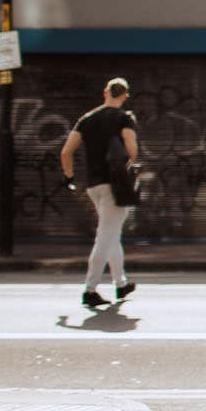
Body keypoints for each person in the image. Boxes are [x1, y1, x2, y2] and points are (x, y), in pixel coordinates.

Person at [59, 77, 139, 310]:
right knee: (106, 235)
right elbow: (132, 152)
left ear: (105, 92)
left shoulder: (87, 119)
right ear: (125, 95)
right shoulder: (124, 119)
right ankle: (90, 289)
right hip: (114, 185)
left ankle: (121, 282)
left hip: (93, 185)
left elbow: (66, 152)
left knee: (111, 231)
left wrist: (69, 176)